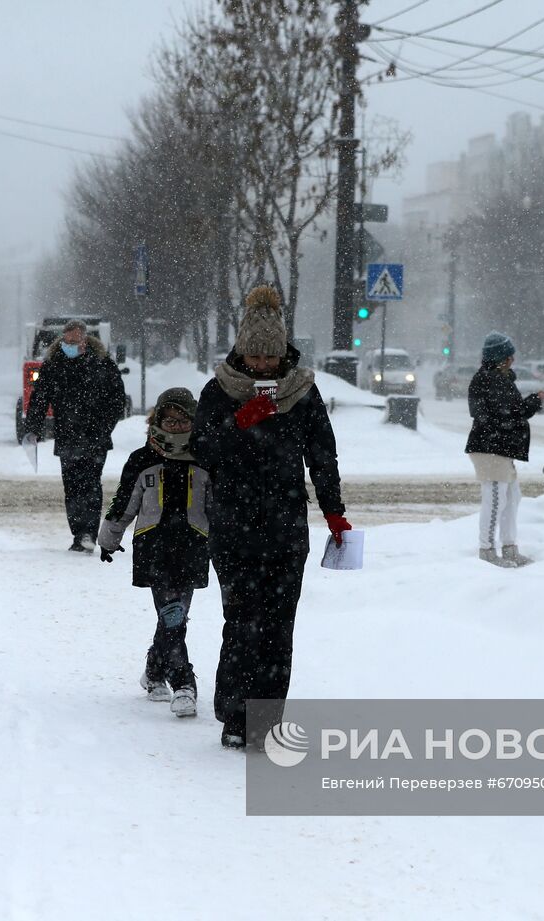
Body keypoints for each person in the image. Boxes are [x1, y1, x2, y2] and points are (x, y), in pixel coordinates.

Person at [190, 285, 350, 750]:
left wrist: (334, 510)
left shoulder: (302, 392)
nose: (262, 366)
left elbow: (323, 454)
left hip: (285, 528)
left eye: (270, 358)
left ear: (283, 354)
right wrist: (239, 422)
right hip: (233, 526)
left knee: (279, 627)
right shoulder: (219, 391)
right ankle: (234, 713)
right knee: (242, 621)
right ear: (242, 352)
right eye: (254, 357)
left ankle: (264, 720)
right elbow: (199, 450)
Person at [98, 388, 211, 719]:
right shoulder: (141, 459)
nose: (175, 426)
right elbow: (124, 503)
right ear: (156, 420)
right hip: (154, 549)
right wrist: (109, 538)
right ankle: (184, 685)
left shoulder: (205, 458)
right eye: (168, 419)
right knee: (174, 616)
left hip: (193, 547)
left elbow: (218, 507)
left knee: (174, 617)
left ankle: (153, 669)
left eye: (183, 420)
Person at [26, 319, 128, 553]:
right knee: (72, 486)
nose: (71, 344)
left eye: (76, 339)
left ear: (85, 340)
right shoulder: (54, 365)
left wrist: (104, 427)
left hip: (95, 437)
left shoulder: (102, 364)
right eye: (67, 340)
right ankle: (78, 533)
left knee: (91, 484)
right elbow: (40, 398)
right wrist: (33, 427)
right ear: (62, 339)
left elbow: (117, 400)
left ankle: (88, 534)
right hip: (68, 436)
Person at [465, 332, 544, 568]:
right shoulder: (488, 380)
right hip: (489, 448)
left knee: (512, 497)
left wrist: (533, 401)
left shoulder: (500, 380)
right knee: (495, 499)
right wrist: (523, 410)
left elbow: (514, 410)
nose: (513, 358)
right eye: (509, 354)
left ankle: (510, 548)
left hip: (500, 448)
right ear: (501, 357)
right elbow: (503, 413)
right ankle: (487, 551)